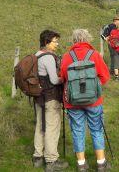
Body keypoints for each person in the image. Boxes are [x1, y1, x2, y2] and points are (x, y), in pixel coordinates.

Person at [60, 29, 111, 172]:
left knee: (77, 130)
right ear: (88, 39)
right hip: (94, 101)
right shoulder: (94, 55)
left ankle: (81, 164)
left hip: (72, 102)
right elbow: (105, 76)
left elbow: (63, 77)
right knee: (96, 129)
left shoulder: (67, 56)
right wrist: (94, 88)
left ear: (73, 40)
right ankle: (101, 163)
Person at [32, 30, 69, 172]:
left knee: (40, 126)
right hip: (50, 97)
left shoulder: (36, 55)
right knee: (52, 128)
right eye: (55, 41)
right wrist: (64, 78)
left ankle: (38, 157)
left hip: (39, 97)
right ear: (47, 42)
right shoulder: (48, 57)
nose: (57, 44)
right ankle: (51, 160)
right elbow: (54, 80)